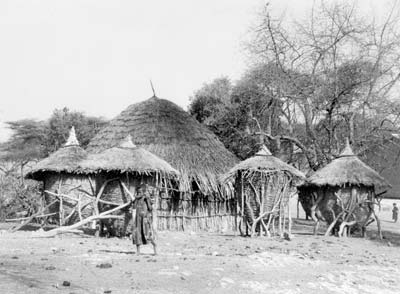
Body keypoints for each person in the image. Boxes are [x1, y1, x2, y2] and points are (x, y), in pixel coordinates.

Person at [131, 184, 157, 255]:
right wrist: (134, 199)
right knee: (137, 234)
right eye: (138, 192)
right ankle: (138, 251)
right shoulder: (137, 200)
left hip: (145, 219)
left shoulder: (146, 199)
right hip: (138, 219)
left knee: (147, 234)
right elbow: (134, 207)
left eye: (140, 192)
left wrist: (148, 200)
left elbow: (150, 208)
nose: (138, 193)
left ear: (144, 192)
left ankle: (155, 248)